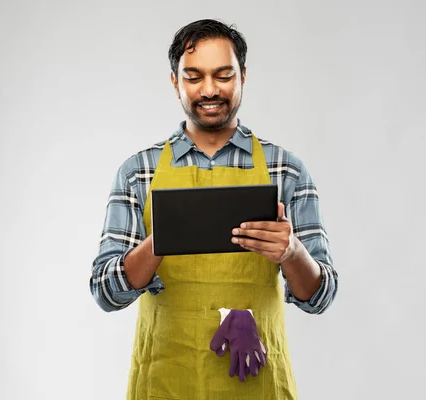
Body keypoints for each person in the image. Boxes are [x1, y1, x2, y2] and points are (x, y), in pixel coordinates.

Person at [89, 18, 338, 400]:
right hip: (166, 380)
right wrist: (161, 242)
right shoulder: (139, 172)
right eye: (193, 76)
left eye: (223, 75)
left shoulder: (285, 169)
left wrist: (291, 252)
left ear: (243, 77)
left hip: (258, 383)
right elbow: (106, 292)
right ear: (175, 81)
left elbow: (320, 297)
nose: (209, 90)